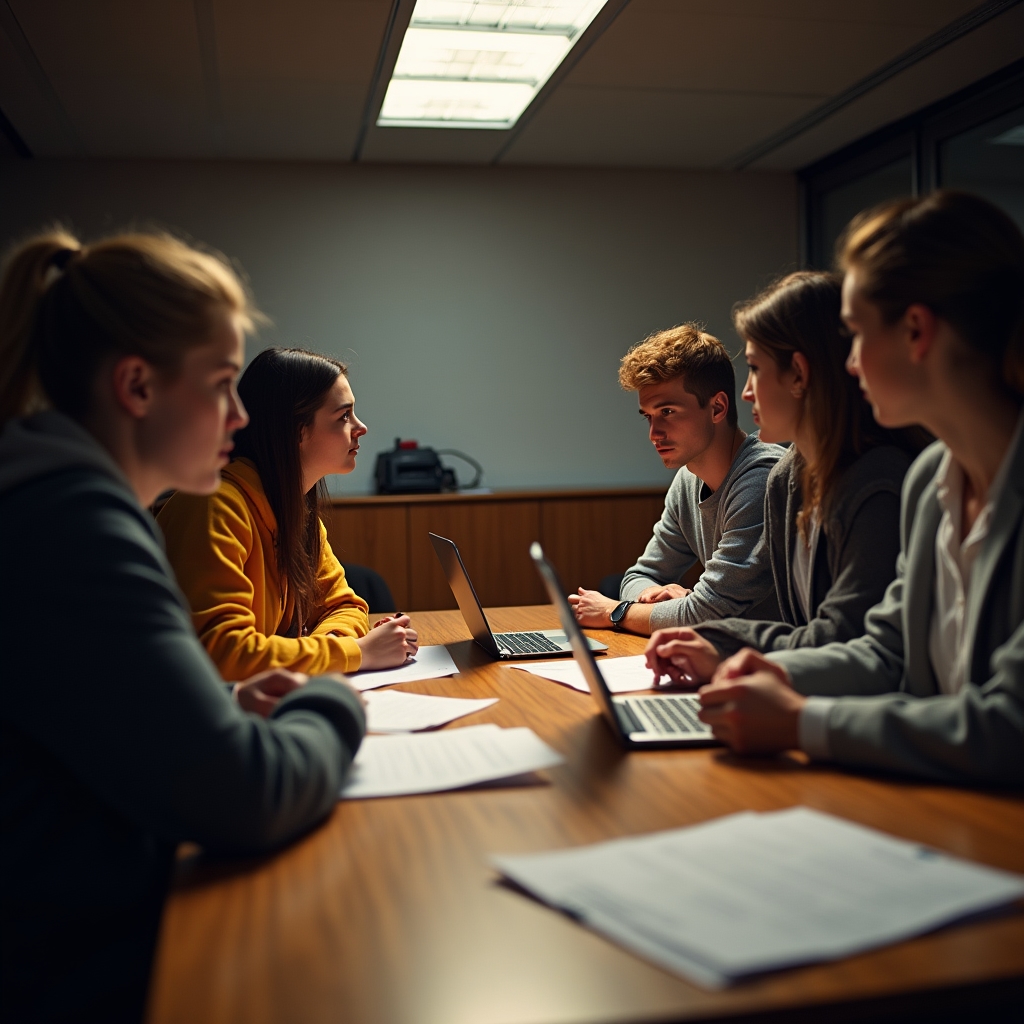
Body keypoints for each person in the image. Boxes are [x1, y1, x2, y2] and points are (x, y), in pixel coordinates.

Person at [0, 229, 367, 1021]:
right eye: (223, 385)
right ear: (136, 386)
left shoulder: (57, 499)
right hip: (59, 963)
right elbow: (246, 792)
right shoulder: (74, 523)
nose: (241, 419)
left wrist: (225, 708)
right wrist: (334, 703)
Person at [651, 191, 1024, 786]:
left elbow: (1010, 727)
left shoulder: (891, 480)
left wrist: (803, 721)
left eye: (855, 335)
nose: (847, 364)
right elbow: (886, 652)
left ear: (916, 332)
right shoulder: (932, 481)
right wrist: (764, 668)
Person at [645, 272, 921, 683]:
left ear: (799, 373)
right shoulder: (786, 477)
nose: (747, 392)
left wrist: (716, 639)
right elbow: (804, 635)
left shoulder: (876, 480)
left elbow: (843, 639)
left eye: (755, 368)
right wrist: (712, 638)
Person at [157, 347, 416, 680]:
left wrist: (328, 653)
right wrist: (358, 653)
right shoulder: (214, 507)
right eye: (343, 416)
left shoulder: (295, 512)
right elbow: (221, 652)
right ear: (296, 430)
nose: (361, 427)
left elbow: (344, 606)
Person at [570, 323, 781, 635]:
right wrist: (674, 604)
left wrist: (616, 611)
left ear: (717, 407)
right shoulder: (688, 479)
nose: (654, 434)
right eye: (648, 416)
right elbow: (640, 575)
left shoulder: (761, 479)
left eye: (667, 411)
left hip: (780, 668)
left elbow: (708, 613)